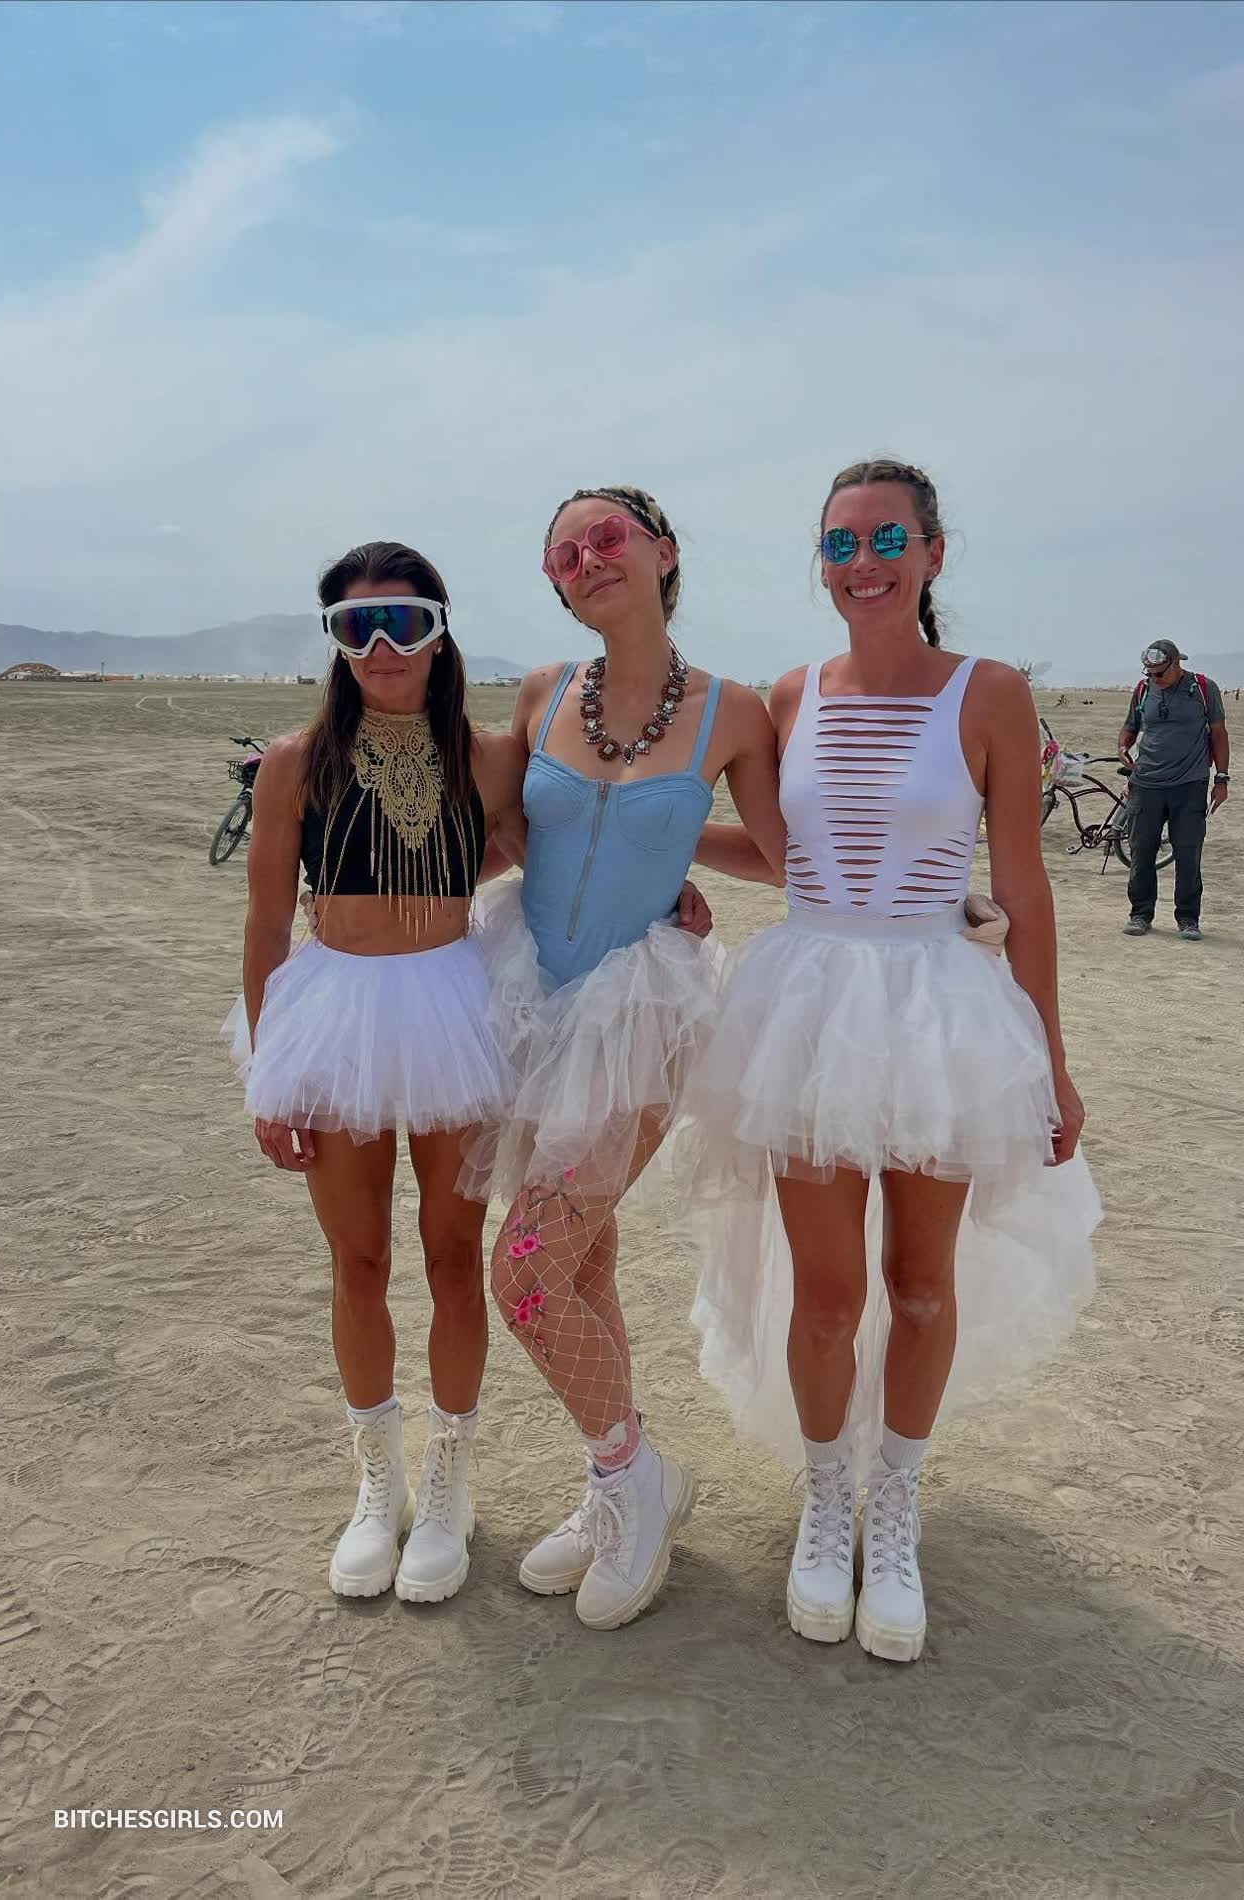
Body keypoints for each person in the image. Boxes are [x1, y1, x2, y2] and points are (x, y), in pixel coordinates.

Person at [683, 460, 1100, 1662]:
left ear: (931, 554)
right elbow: (781, 855)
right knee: (824, 1296)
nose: (859, 564)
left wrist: (1050, 1060)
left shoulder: (988, 692)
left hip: (935, 1011)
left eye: (883, 541)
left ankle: (896, 1503)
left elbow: (1020, 886)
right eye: (837, 544)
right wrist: (658, 843)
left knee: (919, 1286)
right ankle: (827, 1500)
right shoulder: (788, 694)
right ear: (819, 563)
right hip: (807, 1008)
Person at [469, 483, 786, 1632]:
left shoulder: (732, 711)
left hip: (641, 1016)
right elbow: (503, 830)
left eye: (606, 536)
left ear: (661, 549)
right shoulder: (542, 692)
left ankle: (631, 1475)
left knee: (526, 1272)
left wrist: (676, 858)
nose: (586, 559)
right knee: (583, 1263)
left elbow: (785, 854)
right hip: (527, 999)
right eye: (563, 553)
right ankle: (622, 1485)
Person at [224, 540, 523, 1606]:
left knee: (453, 1256)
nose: (384, 644)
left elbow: (554, 853)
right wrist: (270, 1069)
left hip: (455, 1010)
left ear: (440, 632)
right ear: (337, 643)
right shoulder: (295, 762)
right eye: (358, 625)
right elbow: (267, 923)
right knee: (357, 1260)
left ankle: (447, 1483)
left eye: (405, 620)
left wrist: (667, 893)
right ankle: (376, 1479)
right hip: (334, 1016)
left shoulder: (490, 758)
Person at [1118, 640, 1228, 941]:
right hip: (1146, 784)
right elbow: (1130, 727)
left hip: (1189, 785)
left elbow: (1219, 734)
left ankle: (1188, 919)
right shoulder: (1143, 690)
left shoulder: (1204, 689)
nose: (1154, 678)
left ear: (1176, 663)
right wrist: (1122, 747)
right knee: (1141, 852)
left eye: (1159, 673)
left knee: (1189, 854)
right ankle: (1140, 914)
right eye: (1149, 673)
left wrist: (1221, 779)